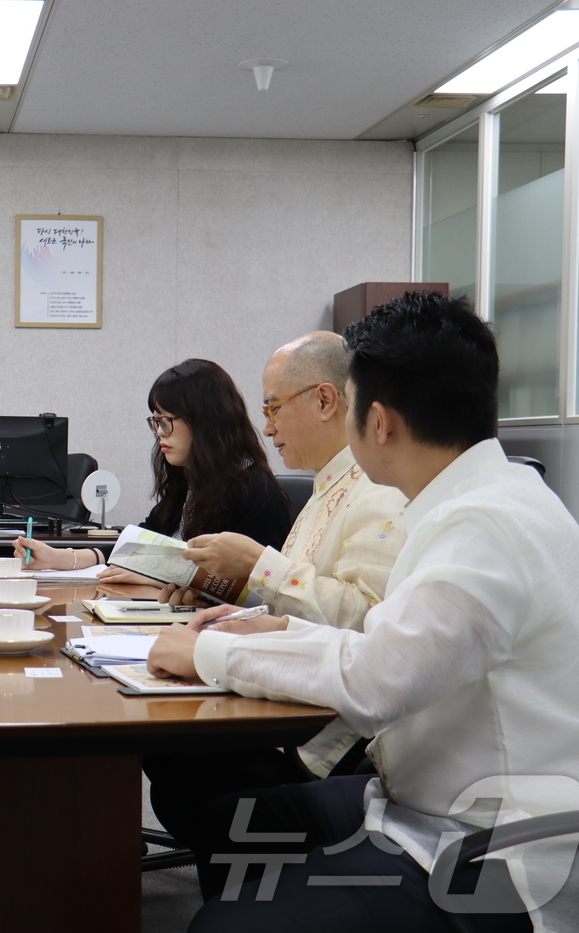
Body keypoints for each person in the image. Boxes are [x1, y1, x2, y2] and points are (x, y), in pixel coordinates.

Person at [148, 292, 579, 933]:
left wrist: (206, 651)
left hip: (497, 854)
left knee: (221, 925)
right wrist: (276, 629)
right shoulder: (493, 498)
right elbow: (383, 638)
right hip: (429, 804)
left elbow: (374, 680)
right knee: (234, 823)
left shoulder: (483, 525)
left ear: (380, 421)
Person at [142, 332, 409, 856]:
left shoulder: (376, 490)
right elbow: (290, 608)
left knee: (186, 768)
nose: (266, 427)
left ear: (326, 400)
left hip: (327, 733)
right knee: (169, 751)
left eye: (274, 408)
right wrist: (230, 613)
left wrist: (257, 566)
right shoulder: (322, 488)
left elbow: (367, 624)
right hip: (294, 699)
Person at [14, 358, 291, 575]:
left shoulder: (257, 493)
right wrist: (62, 557)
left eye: (165, 420)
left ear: (205, 422)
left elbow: (254, 592)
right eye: (155, 421)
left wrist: (156, 576)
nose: (159, 431)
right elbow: (143, 541)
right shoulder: (191, 481)